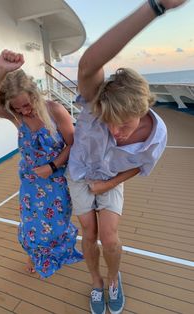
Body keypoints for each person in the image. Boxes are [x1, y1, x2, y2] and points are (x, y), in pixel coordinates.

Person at [66, 1, 187, 313]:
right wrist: (155, 7)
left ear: (143, 109)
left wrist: (108, 186)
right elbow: (89, 64)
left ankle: (114, 278)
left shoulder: (156, 138)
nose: (116, 133)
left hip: (111, 180)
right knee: (88, 234)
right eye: (109, 124)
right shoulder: (96, 103)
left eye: (124, 125)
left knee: (110, 239)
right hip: (79, 174)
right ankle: (96, 282)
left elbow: (140, 167)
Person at [0, 50, 83, 278]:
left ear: (34, 94)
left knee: (56, 223)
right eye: (18, 108)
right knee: (31, 224)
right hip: (30, 183)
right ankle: (36, 254)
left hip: (56, 180)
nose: (25, 111)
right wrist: (1, 68)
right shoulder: (17, 117)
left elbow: (73, 145)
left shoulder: (55, 111)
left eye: (27, 104)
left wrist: (52, 166)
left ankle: (54, 253)